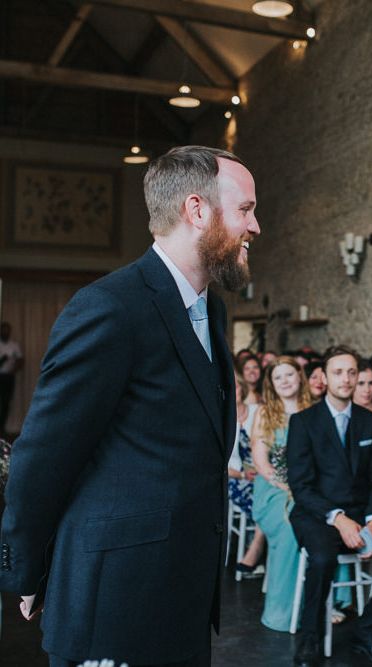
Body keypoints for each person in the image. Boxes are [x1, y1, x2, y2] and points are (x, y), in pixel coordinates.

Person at [0, 145, 260, 666]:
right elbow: (45, 452)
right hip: (115, 600)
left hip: (182, 596)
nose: (255, 227)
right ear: (197, 209)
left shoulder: (211, 308)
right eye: (247, 209)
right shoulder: (111, 306)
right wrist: (26, 568)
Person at [287, 345, 372, 667]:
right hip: (318, 515)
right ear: (324, 377)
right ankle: (309, 639)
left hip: (365, 513)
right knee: (322, 559)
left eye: (351, 372)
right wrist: (339, 519)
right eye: (338, 372)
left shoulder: (369, 421)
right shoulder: (303, 422)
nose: (346, 379)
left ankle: (366, 629)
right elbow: (301, 487)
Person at [251, 356, 311, 631]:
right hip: (273, 489)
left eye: (289, 375)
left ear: (300, 377)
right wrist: (288, 487)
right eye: (278, 377)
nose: (285, 381)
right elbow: (262, 463)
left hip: (308, 487)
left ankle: (326, 602)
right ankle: (282, 612)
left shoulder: (314, 410)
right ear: (271, 384)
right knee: (290, 526)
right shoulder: (265, 414)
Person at [227, 371, 265, 581]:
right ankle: (257, 551)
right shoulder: (222, 419)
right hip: (236, 479)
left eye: (237, 386)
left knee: (268, 493)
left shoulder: (258, 411)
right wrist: (242, 475)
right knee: (263, 500)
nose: (234, 391)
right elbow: (219, 464)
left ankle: (257, 549)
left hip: (263, 474)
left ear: (242, 388)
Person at [0, 322, 23, 435]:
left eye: (7, 330)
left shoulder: (14, 345)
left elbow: (20, 360)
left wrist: (15, 369)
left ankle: (2, 428)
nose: (5, 332)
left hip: (8, 377)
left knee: (6, 403)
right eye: (3, 330)